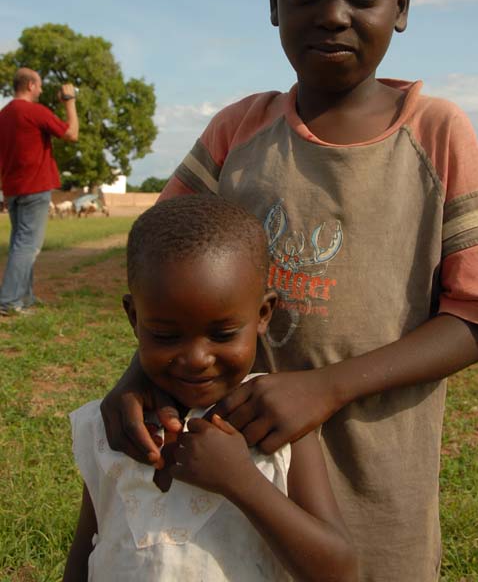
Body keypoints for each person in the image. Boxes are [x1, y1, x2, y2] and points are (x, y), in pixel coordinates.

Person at [100, 0, 478, 581]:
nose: (332, 15)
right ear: (274, 0)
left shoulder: (436, 133)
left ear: (402, 6)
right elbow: (158, 260)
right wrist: (135, 380)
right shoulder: (237, 131)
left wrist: (325, 386)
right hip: (235, 471)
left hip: (374, 468)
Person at [64, 195, 357, 582]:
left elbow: (340, 570)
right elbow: (85, 550)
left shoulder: (277, 425)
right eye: (167, 335)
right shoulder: (114, 426)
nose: (197, 358)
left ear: (263, 315)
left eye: (222, 334)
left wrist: (242, 482)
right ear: (134, 318)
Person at [0, 67, 78, 315]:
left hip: (12, 188)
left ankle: (25, 297)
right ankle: (9, 302)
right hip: (35, 187)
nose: (42, 89)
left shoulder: (4, 114)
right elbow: (71, 133)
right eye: (40, 85)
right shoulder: (34, 111)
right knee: (28, 245)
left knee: (19, 243)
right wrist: (70, 101)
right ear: (31, 85)